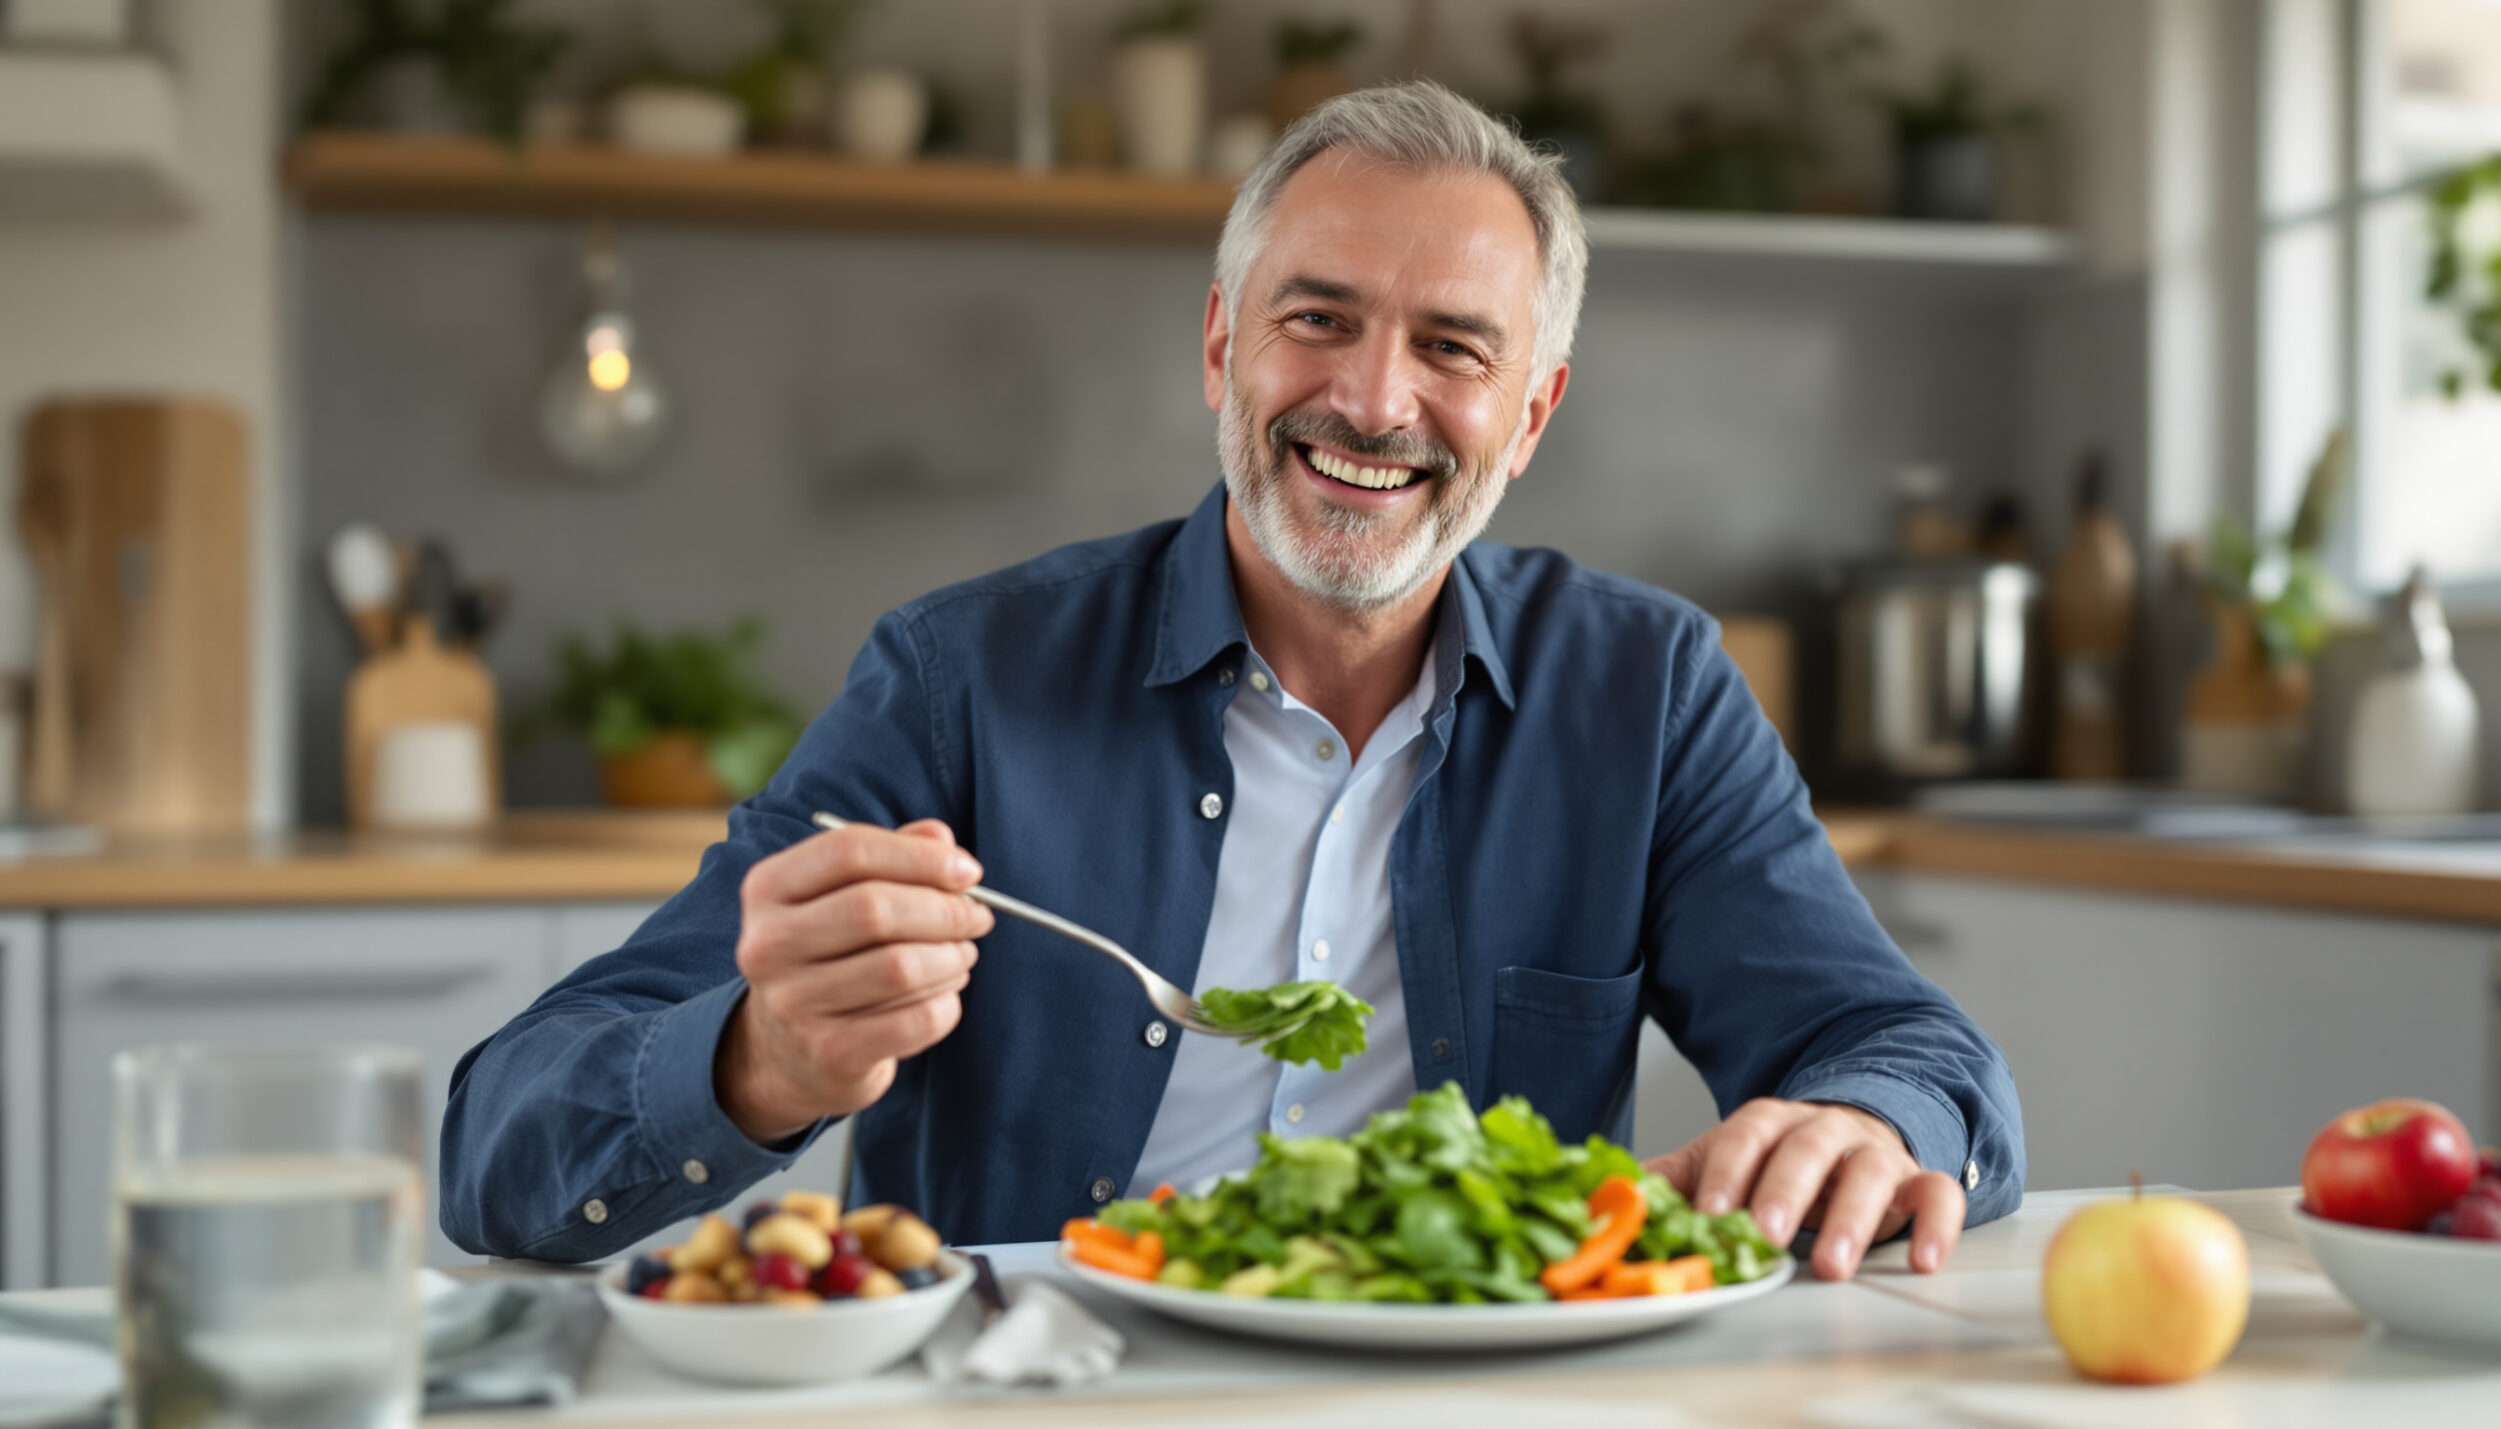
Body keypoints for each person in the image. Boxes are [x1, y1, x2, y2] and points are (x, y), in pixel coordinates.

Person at [441, 81, 2022, 1282]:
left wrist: (1870, 1122)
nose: (1373, 399)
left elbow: (1919, 1055)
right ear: (1219, 348)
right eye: (1315, 319)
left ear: (1530, 414)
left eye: (1453, 351)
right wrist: (760, 1060)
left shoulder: (1650, 688)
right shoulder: (958, 678)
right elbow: (495, 1148)